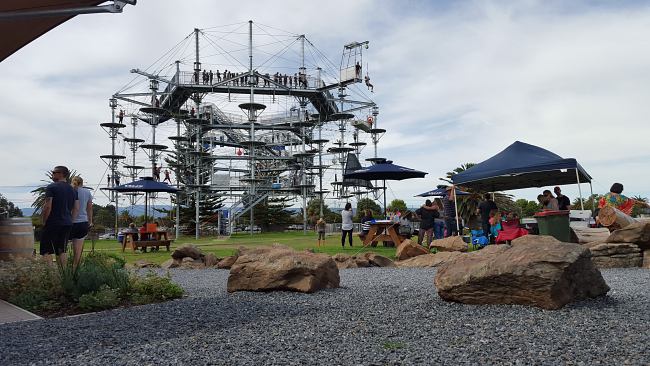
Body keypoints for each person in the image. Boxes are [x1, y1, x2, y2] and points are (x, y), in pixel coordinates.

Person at [40, 166, 79, 266]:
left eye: (54, 172)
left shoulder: (52, 187)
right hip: (67, 223)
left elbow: (48, 206)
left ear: (61, 173)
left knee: (46, 251)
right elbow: (76, 208)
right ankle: (63, 276)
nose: (52, 174)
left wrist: (44, 221)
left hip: (53, 223)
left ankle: (50, 277)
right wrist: (71, 220)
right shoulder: (73, 190)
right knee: (62, 250)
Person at [69, 176, 93, 269]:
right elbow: (90, 208)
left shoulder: (70, 191)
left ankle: (64, 272)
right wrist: (90, 221)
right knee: (78, 253)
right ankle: (76, 271)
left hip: (70, 222)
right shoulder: (87, 192)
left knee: (63, 250)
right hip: (83, 222)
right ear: (82, 183)